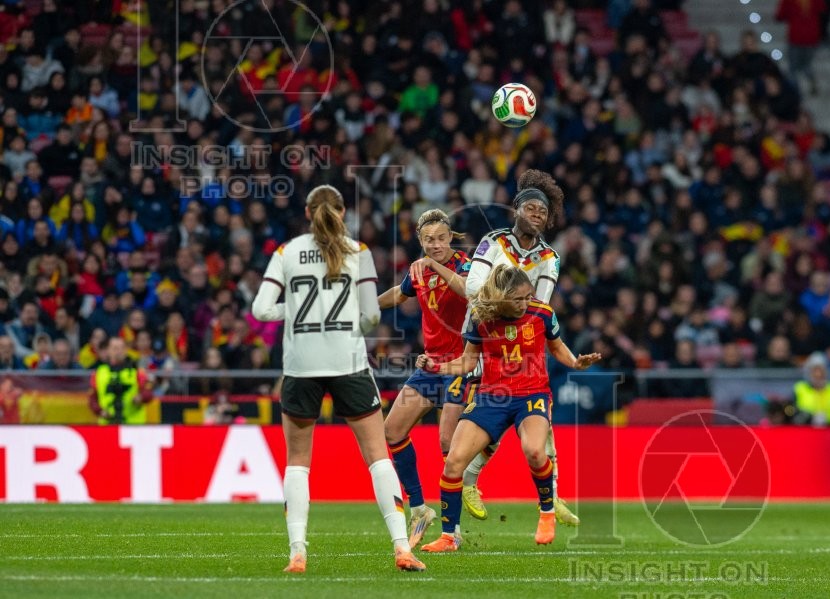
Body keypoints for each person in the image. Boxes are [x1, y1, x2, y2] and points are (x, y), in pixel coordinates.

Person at [251, 185, 426, 574]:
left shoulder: (287, 252)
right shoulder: (357, 252)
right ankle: (401, 546)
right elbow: (372, 318)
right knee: (378, 457)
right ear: (343, 212)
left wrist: (295, 311)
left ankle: (297, 552)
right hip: (347, 364)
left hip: (300, 368)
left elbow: (261, 309)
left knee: (298, 462)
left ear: (308, 211)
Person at [416, 265, 601, 552]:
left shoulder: (542, 313)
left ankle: (547, 513)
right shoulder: (480, 318)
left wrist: (576, 362)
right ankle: (449, 537)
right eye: (518, 299)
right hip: (492, 396)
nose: (525, 303)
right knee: (453, 462)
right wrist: (436, 366)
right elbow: (467, 362)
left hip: (532, 394)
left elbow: (556, 346)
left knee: (535, 451)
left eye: (528, 296)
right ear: (500, 297)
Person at [461, 168, 580, 526]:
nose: (537, 215)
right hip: (484, 345)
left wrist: (519, 322)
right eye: (530, 208)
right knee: (485, 426)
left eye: (542, 212)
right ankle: (465, 482)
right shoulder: (492, 243)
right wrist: (505, 310)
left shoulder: (550, 259)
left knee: (539, 424)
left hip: (523, 349)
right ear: (516, 210)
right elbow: (472, 288)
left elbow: (539, 309)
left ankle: (552, 497)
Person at [378, 209, 471, 548]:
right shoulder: (416, 272)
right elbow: (400, 294)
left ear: (451, 237)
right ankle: (419, 508)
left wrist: (434, 266)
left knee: (448, 443)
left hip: (461, 365)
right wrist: (366, 308)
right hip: (430, 366)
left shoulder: (465, 266)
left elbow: (467, 291)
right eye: (428, 240)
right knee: (393, 429)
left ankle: (453, 530)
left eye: (441, 238)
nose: (435, 245)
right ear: (420, 240)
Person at [88, 337, 153, 425]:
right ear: (108, 351)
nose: (119, 351)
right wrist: (100, 411)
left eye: (122, 348)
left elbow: (148, 392)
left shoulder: (137, 371)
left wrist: (141, 397)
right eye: (115, 348)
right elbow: (92, 398)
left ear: (126, 350)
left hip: (133, 425)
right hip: (108, 424)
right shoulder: (98, 373)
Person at [791, 352, 830, 425]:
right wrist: (810, 417)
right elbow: (793, 413)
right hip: (805, 430)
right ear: (808, 372)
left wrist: (827, 419)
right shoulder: (799, 388)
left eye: (821, 370)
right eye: (815, 370)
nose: (818, 374)